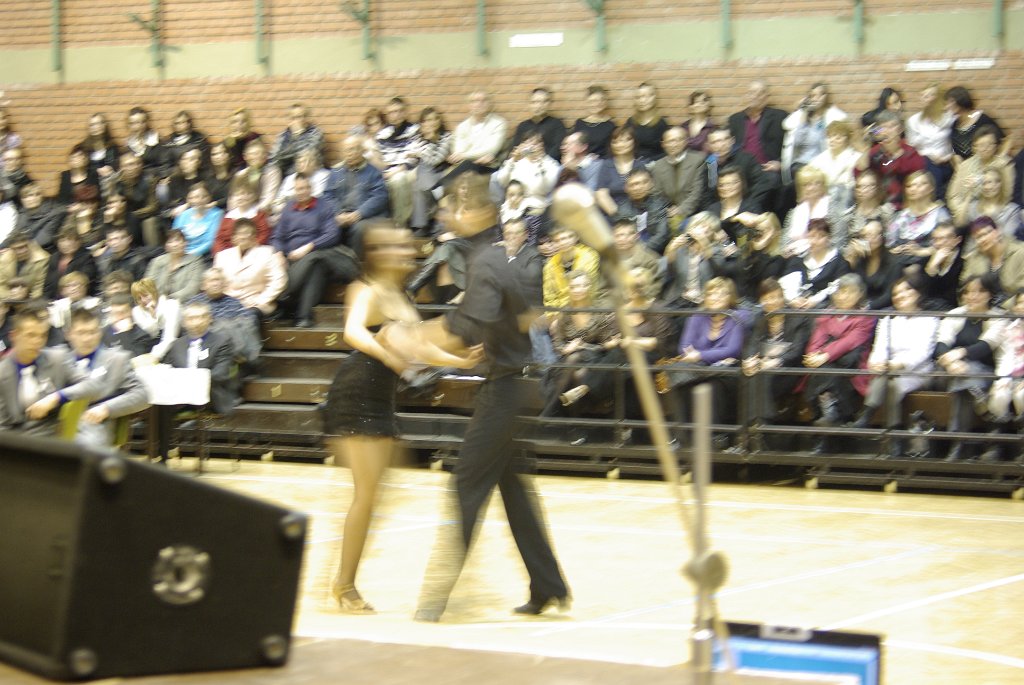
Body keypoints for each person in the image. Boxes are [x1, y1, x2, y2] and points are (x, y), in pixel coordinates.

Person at [380, 167, 570, 621]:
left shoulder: (488, 260)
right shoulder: (494, 258)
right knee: (514, 491)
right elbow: (498, 321)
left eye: (449, 207)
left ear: (470, 208)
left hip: (506, 391)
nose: (443, 216)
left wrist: (410, 337)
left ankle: (433, 601)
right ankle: (548, 586)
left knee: (465, 485)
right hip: (512, 386)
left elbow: (465, 326)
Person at [323, 223, 479, 613]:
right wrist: (388, 354)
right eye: (393, 247)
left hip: (381, 396)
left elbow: (418, 345)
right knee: (366, 496)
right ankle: (344, 586)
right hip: (356, 393)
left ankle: (339, 576)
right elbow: (353, 331)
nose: (404, 253)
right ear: (375, 254)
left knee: (374, 495)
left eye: (406, 247)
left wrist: (459, 361)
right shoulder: (367, 289)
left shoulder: (403, 296)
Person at [0, 303, 105, 437]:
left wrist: (56, 397)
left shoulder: (57, 359)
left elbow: (94, 386)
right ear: (14, 336)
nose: (37, 341)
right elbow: (2, 424)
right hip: (13, 440)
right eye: (31, 335)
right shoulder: (3, 371)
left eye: (42, 336)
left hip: (49, 437)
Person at [802, 274, 876, 451]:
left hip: (852, 368)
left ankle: (823, 435)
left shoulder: (866, 317)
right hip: (828, 368)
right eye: (840, 292)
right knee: (825, 372)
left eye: (849, 292)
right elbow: (816, 341)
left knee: (828, 372)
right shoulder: (827, 314)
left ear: (860, 294)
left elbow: (850, 342)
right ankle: (830, 416)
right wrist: (812, 355)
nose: (843, 297)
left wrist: (825, 355)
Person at [275, 174, 360, 327]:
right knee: (315, 266)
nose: (302, 192)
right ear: (294, 190)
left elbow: (332, 235)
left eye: (306, 188)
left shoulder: (323, 206)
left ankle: (285, 296)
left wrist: (308, 247)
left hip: (319, 252)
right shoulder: (288, 208)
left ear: (311, 188)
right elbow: (277, 236)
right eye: (299, 189)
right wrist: (279, 253)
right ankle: (304, 317)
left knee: (314, 258)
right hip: (293, 259)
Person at [935, 274, 1005, 462]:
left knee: (964, 384)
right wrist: (951, 362)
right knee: (966, 377)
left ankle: (958, 443)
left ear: (990, 294)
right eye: (968, 292)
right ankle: (982, 405)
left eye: (979, 291)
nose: (972, 296)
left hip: (984, 372)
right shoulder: (955, 314)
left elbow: (986, 346)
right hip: (949, 371)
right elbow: (941, 344)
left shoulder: (999, 318)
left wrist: (959, 353)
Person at [62, 306, 149, 449]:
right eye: (81, 333)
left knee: (86, 446)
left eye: (92, 332)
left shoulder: (117, 359)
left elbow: (142, 395)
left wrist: (106, 408)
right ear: (69, 334)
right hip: (57, 422)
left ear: (100, 332)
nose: (87, 338)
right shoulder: (59, 359)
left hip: (94, 422)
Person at [324, 135, 391, 250]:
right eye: (347, 150)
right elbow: (328, 196)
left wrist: (359, 214)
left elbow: (380, 197)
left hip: (367, 216)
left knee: (359, 229)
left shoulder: (374, 172)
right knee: (328, 226)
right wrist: (338, 214)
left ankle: (354, 260)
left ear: (362, 151)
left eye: (354, 149)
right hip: (342, 214)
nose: (350, 153)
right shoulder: (335, 172)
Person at [213, 218, 288, 318]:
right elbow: (216, 281)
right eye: (239, 233)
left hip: (257, 303)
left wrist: (261, 300)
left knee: (248, 317)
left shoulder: (267, 252)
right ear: (233, 237)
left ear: (254, 236)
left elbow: (279, 280)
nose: (242, 237)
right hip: (228, 303)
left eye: (246, 233)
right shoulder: (222, 256)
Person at [855, 111, 926, 208]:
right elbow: (859, 172)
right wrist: (867, 145)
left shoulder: (911, 153)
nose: (887, 131)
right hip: (878, 205)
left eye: (892, 126)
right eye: (883, 127)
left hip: (905, 205)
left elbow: (919, 181)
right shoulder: (874, 152)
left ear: (900, 129)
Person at [781, 82, 847, 184]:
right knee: (798, 175)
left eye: (819, 95)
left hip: (823, 163)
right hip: (802, 163)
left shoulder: (832, 117)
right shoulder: (802, 116)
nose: (816, 98)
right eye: (812, 96)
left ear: (825, 97)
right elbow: (797, 142)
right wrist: (804, 112)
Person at [650, 126, 706, 229]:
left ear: (686, 141)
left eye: (678, 140)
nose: (674, 144)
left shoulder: (697, 160)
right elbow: (656, 194)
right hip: (667, 214)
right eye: (670, 141)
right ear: (663, 144)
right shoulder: (658, 166)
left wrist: (680, 210)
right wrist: (665, 210)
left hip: (693, 212)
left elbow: (696, 192)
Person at [905, 84, 954, 197]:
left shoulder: (949, 117)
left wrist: (947, 157)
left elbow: (954, 141)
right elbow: (910, 145)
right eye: (925, 96)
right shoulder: (914, 121)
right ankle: (936, 199)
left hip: (948, 159)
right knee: (931, 170)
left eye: (932, 95)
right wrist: (930, 154)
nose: (928, 99)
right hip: (925, 161)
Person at [144, 228, 205, 301]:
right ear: (166, 246)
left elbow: (192, 288)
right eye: (170, 242)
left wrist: (168, 299)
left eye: (177, 240)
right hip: (156, 302)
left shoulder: (195, 260)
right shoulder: (157, 261)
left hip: (184, 303)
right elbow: (147, 285)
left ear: (185, 243)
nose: (174, 245)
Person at [510, 87, 566, 160]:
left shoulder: (557, 124)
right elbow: (516, 149)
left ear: (549, 104)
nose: (538, 106)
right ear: (529, 104)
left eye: (543, 102)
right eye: (534, 102)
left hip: (548, 163)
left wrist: (542, 160)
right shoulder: (523, 126)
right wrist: (529, 157)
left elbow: (557, 149)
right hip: (525, 163)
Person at [269, 103, 325, 176]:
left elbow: (306, 154)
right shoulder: (282, 136)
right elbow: (274, 159)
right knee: (271, 170)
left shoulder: (315, 133)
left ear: (306, 118)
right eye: (293, 118)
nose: (297, 121)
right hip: (286, 175)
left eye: (299, 117)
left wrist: (297, 136)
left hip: (309, 174)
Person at [171, 182, 225, 258]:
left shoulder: (217, 214)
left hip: (201, 256)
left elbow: (211, 241)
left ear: (208, 198)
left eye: (202, 197)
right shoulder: (183, 215)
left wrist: (191, 255)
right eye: (192, 198)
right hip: (180, 253)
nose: (197, 201)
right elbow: (174, 237)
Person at [625, 82, 669, 162]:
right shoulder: (630, 122)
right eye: (638, 97)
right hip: (633, 163)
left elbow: (667, 149)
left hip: (654, 163)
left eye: (647, 96)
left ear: (654, 97)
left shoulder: (661, 123)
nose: (642, 100)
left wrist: (651, 162)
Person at [572, 84, 616, 159]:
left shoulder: (610, 125)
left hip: (602, 162)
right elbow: (574, 146)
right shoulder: (579, 123)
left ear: (605, 102)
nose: (597, 104)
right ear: (587, 103)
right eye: (593, 101)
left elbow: (611, 150)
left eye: (601, 100)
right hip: (581, 162)